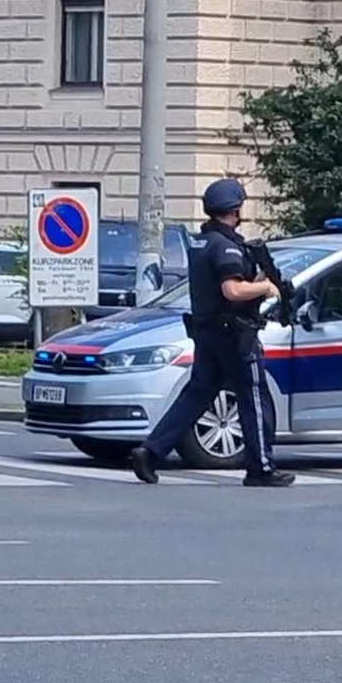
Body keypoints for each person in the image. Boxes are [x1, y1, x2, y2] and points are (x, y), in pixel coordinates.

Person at [129, 179, 295, 487]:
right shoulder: (226, 245)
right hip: (234, 335)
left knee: (196, 396)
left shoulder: (203, 242)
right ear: (234, 209)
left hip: (208, 332)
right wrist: (266, 286)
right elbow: (232, 290)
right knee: (253, 397)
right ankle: (261, 467)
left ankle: (151, 452)